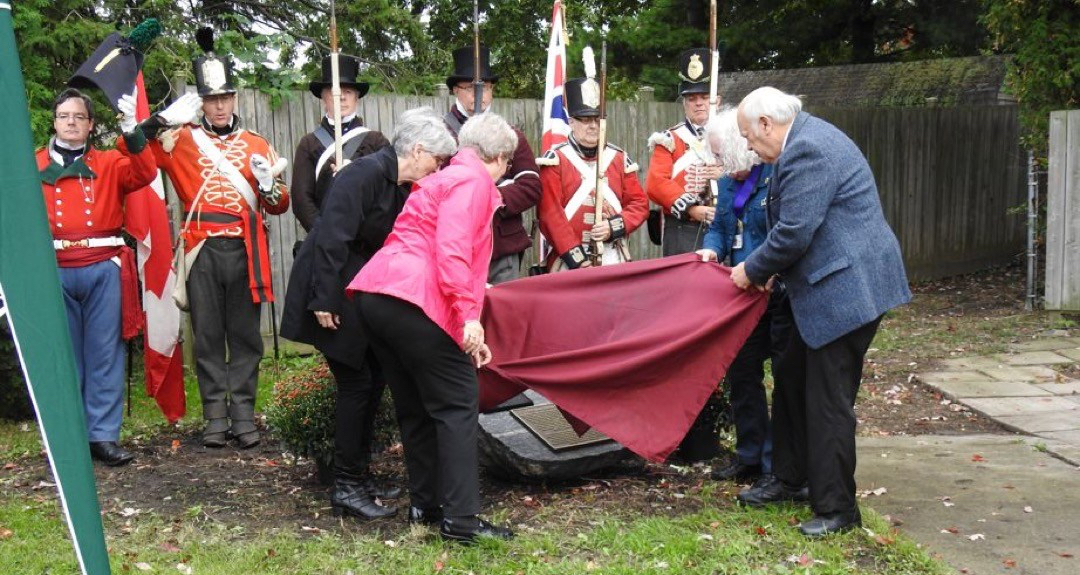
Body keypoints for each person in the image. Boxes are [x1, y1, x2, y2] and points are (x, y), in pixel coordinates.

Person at [729, 87, 911, 537]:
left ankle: (837, 509)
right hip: (816, 285)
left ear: (767, 124)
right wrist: (774, 273)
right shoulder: (798, 144)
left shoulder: (809, 148)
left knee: (827, 401)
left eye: (749, 136)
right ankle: (791, 479)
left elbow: (794, 232)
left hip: (847, 292)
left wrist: (751, 269)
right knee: (791, 379)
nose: (749, 146)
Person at [348, 113, 517, 543]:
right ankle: (460, 523)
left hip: (377, 294)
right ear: (497, 159)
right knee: (459, 404)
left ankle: (426, 507)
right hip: (413, 296)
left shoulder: (445, 176)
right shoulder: (474, 181)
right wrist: (469, 317)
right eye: (506, 165)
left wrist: (472, 298)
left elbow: (429, 240)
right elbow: (453, 247)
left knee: (417, 408)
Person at [280, 108, 455, 520]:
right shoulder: (362, 174)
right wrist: (323, 299)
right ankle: (346, 487)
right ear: (417, 150)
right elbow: (330, 236)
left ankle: (359, 475)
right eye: (436, 160)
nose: (438, 168)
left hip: (359, 286)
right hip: (330, 285)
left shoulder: (399, 183)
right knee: (356, 383)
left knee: (374, 380)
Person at [141, 29, 290, 449]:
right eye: (211, 99)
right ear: (201, 102)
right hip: (202, 249)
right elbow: (130, 145)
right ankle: (214, 417)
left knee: (245, 336)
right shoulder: (180, 140)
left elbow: (279, 205)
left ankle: (243, 415)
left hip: (245, 249)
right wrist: (164, 118)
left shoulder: (257, 143)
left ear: (235, 99)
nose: (220, 105)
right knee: (206, 336)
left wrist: (267, 185)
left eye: (225, 97)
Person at [37, 88, 158, 466]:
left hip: (103, 267)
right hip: (53, 269)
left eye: (79, 117)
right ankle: (68, 438)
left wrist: (132, 130)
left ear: (90, 125)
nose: (70, 123)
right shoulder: (33, 164)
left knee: (105, 355)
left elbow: (145, 171)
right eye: (63, 116)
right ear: (54, 121)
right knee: (63, 357)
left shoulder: (108, 161)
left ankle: (102, 437)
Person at [697, 108, 787, 485]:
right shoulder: (731, 181)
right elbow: (719, 226)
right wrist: (712, 250)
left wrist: (759, 269)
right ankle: (749, 455)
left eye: (721, 155)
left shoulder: (775, 173)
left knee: (784, 380)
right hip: (739, 293)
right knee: (742, 374)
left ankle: (775, 464)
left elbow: (783, 233)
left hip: (774, 291)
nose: (717, 163)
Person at [443, 46, 541, 284]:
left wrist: (490, 196)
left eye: (485, 87)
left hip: (502, 245)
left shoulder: (510, 134)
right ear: (456, 90)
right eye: (470, 88)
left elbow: (531, 186)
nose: (479, 95)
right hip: (456, 245)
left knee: (502, 317)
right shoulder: (440, 135)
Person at [537, 74, 648, 270]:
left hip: (612, 256)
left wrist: (613, 227)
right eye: (586, 119)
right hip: (569, 260)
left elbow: (639, 205)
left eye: (597, 119)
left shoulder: (619, 158)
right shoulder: (555, 160)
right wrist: (579, 260)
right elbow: (550, 214)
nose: (593, 126)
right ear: (571, 122)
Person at [290, 55, 390, 236]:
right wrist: (325, 236)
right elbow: (301, 200)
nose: (341, 97)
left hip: (367, 242)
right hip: (324, 240)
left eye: (348, 92)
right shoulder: (309, 144)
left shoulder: (376, 141)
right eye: (335, 91)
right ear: (323, 97)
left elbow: (387, 192)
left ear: (357, 97)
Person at [645, 48, 724, 256]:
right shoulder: (670, 140)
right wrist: (691, 209)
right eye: (691, 98)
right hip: (683, 229)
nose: (698, 103)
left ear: (717, 100)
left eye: (705, 97)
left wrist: (723, 174)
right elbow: (656, 184)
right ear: (684, 104)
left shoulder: (733, 137)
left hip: (725, 226)